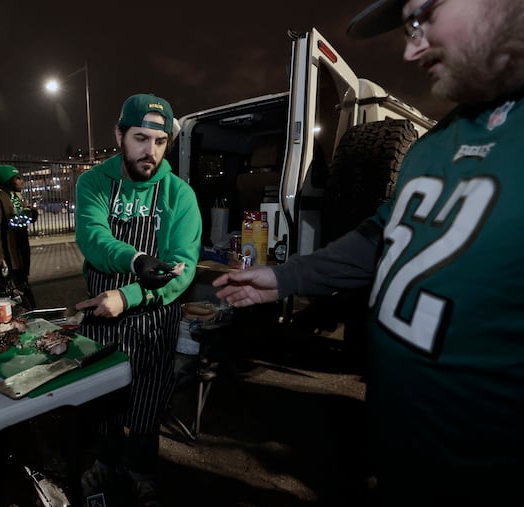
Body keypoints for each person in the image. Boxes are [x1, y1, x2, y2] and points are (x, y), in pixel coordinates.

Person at [214, 1, 524, 505]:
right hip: (400, 459)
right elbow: (382, 235)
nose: (410, 47)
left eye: (424, 16)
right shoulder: (433, 145)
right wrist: (285, 278)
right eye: (406, 27)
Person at [74, 93, 202, 506]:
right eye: (140, 138)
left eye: (160, 141)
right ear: (119, 134)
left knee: (148, 403)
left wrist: (128, 295)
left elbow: (181, 268)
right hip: (102, 316)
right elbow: (94, 238)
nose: (150, 151)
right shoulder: (93, 182)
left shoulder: (180, 195)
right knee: (106, 402)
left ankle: (141, 471)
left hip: (155, 319)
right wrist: (136, 258)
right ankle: (107, 463)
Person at [0, 164, 38, 309]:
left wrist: (31, 214)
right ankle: (24, 314)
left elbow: (19, 220)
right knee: (11, 288)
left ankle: (28, 312)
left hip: (18, 249)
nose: (21, 181)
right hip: (8, 253)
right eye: (17, 178)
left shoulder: (13, 197)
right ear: (8, 180)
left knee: (21, 283)